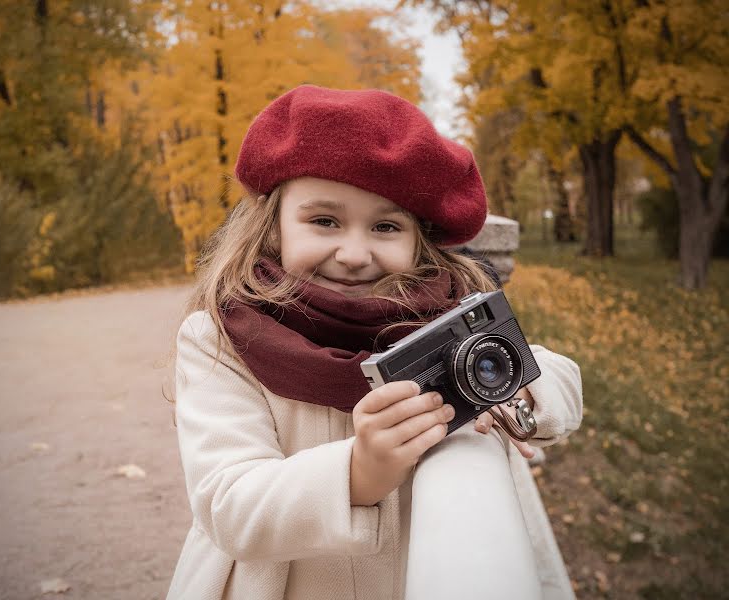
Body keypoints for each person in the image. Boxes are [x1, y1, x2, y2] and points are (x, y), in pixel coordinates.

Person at [166, 85, 583, 600]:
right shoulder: (222, 338)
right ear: (271, 225)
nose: (354, 252)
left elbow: (557, 373)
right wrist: (361, 471)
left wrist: (514, 393)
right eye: (324, 221)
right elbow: (230, 504)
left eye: (385, 226)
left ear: (417, 242)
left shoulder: (451, 315)